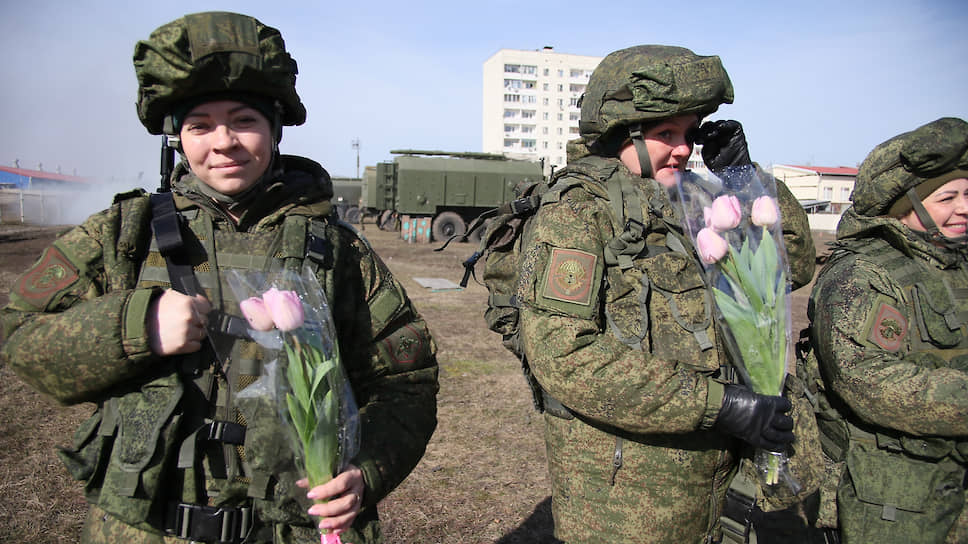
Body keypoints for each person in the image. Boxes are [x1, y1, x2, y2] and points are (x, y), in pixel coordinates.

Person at [0, 11, 438, 544]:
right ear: (177, 139)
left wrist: (366, 470)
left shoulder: (335, 249)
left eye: (244, 120)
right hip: (145, 530)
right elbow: (21, 338)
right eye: (200, 125)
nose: (223, 141)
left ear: (274, 130)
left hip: (292, 530)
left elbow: (406, 381)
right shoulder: (124, 236)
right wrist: (133, 327)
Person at [516, 45, 817, 543]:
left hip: (715, 482)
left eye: (689, 133)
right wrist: (722, 405)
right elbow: (564, 353)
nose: (683, 149)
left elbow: (794, 266)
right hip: (623, 497)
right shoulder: (579, 212)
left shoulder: (698, 198)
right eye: (665, 134)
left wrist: (744, 179)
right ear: (621, 136)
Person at [808, 117, 968, 543]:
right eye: (947, 196)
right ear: (904, 205)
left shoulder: (955, 266)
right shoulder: (864, 274)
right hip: (895, 496)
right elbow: (866, 380)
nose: (964, 207)